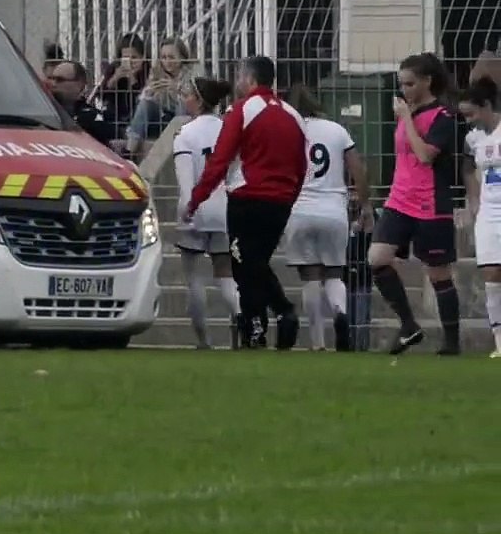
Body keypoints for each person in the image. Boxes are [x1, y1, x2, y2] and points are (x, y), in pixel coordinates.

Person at [187, 55, 307, 351]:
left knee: (243, 264)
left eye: (241, 76)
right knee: (257, 262)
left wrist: (197, 197)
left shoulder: (242, 110)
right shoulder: (293, 115)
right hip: (280, 201)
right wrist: (290, 197)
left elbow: (221, 158)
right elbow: (301, 165)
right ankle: (275, 316)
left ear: (250, 79)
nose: (238, 82)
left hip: (247, 197)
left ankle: (262, 323)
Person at [368, 53, 464, 356]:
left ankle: (451, 342)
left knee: (437, 273)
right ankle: (409, 326)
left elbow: (424, 156)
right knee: (377, 257)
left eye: (410, 83)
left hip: (429, 201)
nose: (404, 90)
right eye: (401, 84)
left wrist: (407, 119)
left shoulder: (443, 117)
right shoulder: (408, 112)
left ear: (427, 81)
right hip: (400, 198)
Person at [282, 84, 374, 352]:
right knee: (334, 273)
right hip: (333, 210)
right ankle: (340, 312)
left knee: (310, 276)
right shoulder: (336, 130)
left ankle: (318, 342)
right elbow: (357, 168)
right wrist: (365, 205)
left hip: (300, 209)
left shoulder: (289, 132)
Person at [172, 77, 242, 349]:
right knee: (225, 274)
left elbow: (186, 183)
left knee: (194, 278)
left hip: (196, 211)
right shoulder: (228, 130)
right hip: (225, 209)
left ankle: (204, 341)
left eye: (187, 94)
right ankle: (240, 320)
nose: (183, 98)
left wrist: (186, 210)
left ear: (198, 100)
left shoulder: (186, 135)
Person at [459, 76, 501, 358]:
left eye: (471, 113)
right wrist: (473, 200)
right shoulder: (473, 138)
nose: (468, 120)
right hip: (489, 211)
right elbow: (467, 168)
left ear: (486, 106)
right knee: (491, 273)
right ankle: (500, 341)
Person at [126, 37, 198, 161]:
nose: (167, 62)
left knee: (182, 104)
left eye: (171, 57)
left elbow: (196, 102)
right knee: (145, 103)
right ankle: (129, 152)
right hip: (164, 117)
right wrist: (150, 92)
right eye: (164, 57)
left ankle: (177, 146)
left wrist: (177, 89)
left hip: (188, 118)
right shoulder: (157, 71)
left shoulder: (193, 71)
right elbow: (144, 100)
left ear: (182, 57)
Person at [48, 61, 114, 146]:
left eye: (60, 80)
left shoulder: (91, 118)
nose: (53, 84)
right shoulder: (43, 113)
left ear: (79, 84)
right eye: (51, 79)